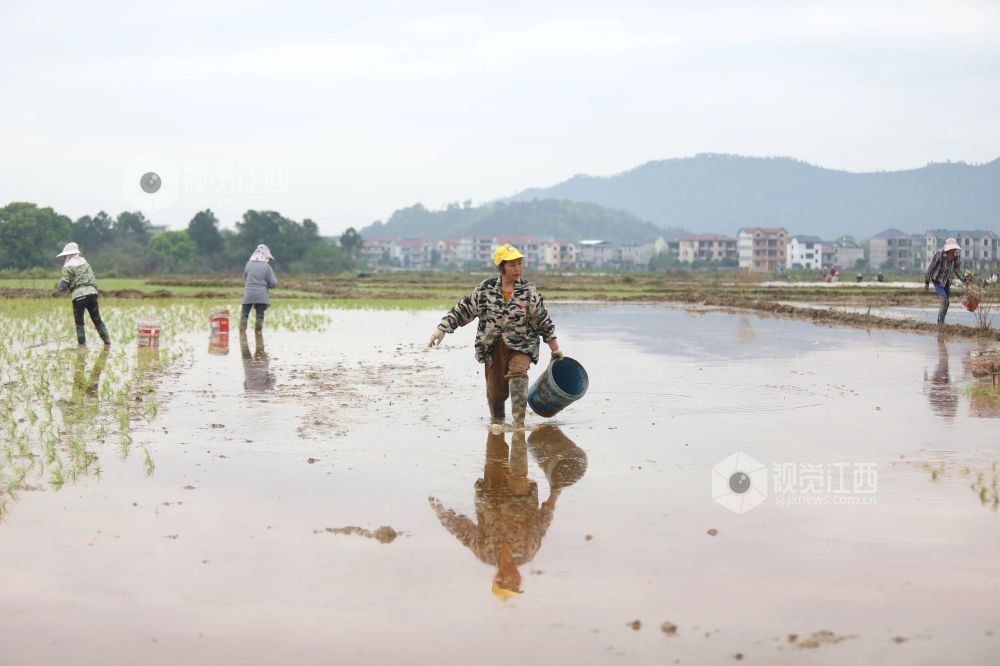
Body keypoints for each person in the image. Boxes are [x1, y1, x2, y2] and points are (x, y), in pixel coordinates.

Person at [428, 243, 562, 427]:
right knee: (495, 392)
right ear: (502, 267)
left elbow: (542, 320)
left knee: (518, 373)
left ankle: (519, 425)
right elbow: (464, 309)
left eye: (520, 263)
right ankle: (497, 422)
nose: (517, 268)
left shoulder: (529, 291)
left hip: (522, 346)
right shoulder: (485, 289)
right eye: (512, 264)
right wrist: (442, 329)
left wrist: (556, 350)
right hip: (492, 347)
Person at [429, 430, 561, 600]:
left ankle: (500, 419)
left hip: (491, 491)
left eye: (511, 584)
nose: (517, 581)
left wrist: (442, 514)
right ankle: (517, 422)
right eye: (517, 585)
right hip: (520, 493)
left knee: (495, 446)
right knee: (517, 451)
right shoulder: (527, 552)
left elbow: (463, 531)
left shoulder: (484, 553)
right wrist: (554, 494)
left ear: (498, 579)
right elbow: (540, 524)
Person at [56, 242, 110, 347]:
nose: (64, 258)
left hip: (79, 297)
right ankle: (107, 341)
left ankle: (82, 345)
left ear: (68, 255)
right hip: (93, 294)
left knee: (79, 322)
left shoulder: (67, 267)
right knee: (97, 319)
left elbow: (64, 286)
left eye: (64, 256)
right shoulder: (85, 263)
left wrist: (59, 288)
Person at [924, 237, 970, 325]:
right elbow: (931, 268)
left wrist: (964, 280)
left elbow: (956, 270)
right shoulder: (940, 254)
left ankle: (940, 321)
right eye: (952, 248)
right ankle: (941, 324)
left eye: (955, 248)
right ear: (948, 248)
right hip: (937, 280)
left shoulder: (956, 256)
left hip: (947, 281)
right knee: (944, 300)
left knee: (947, 302)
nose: (954, 250)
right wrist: (926, 283)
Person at [241, 244, 277, 332]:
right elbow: (273, 283)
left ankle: (242, 331)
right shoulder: (266, 267)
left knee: (244, 314)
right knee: (260, 315)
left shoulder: (248, 264)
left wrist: (250, 285)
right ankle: (258, 332)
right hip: (261, 294)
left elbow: (245, 279)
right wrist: (266, 285)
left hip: (248, 293)